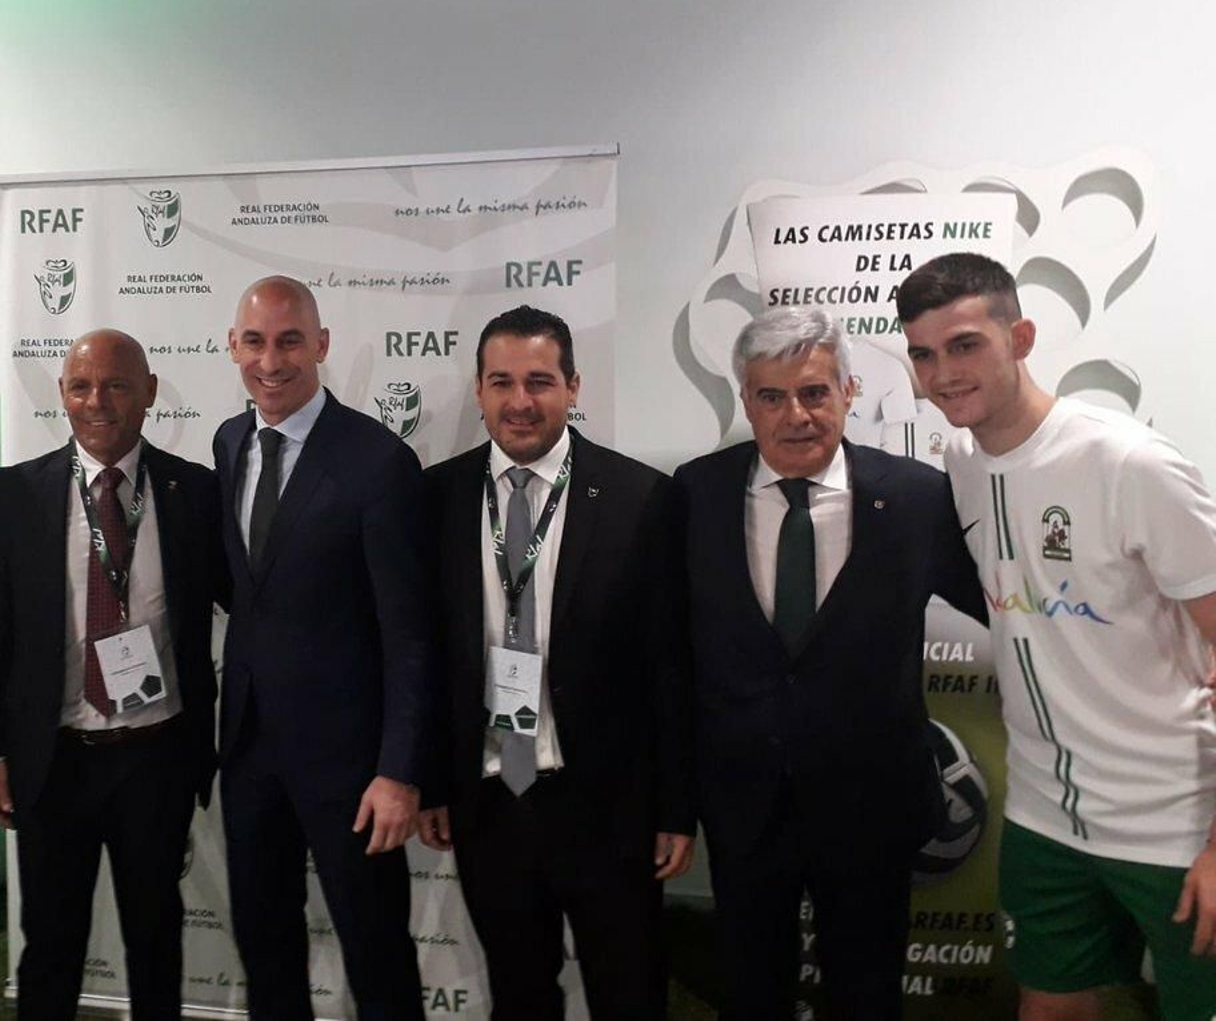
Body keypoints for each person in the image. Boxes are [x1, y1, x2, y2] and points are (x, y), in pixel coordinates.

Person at [898, 253, 1216, 1021]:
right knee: (1050, 1008)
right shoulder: (962, 459)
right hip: (1043, 814)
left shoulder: (1128, 464)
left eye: (965, 344)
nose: (943, 373)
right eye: (923, 354)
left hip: (1171, 818)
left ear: (1022, 337)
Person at [671, 306, 985, 1020]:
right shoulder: (694, 495)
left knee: (868, 991)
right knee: (752, 990)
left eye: (815, 392)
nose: (796, 416)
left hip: (874, 803)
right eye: (772, 396)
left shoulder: (917, 498)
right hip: (744, 804)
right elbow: (666, 654)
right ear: (745, 400)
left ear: (849, 392)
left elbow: (1006, 607)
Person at [417, 305, 692, 1020]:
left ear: (573, 386)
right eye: (501, 382)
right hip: (489, 800)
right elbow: (424, 652)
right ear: (477, 391)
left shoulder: (642, 499)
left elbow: (670, 665)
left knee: (629, 996)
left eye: (539, 381)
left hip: (608, 806)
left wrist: (675, 810)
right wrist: (429, 782)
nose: (519, 401)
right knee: (519, 995)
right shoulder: (435, 498)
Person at [0, 329, 222, 1020]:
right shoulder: (15, 492)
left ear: (149, 394)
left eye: (115, 385)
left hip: (156, 758)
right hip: (53, 762)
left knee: (155, 940)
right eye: (80, 386)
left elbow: (253, 606)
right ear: (62, 396)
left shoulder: (195, 492)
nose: (97, 401)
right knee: (50, 946)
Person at [213, 276, 438, 1021]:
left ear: (321, 345)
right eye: (255, 341)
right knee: (266, 943)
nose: (271, 361)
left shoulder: (377, 461)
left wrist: (399, 772)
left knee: (375, 951)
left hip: (351, 768)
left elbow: (410, 633)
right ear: (233, 347)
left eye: (288, 341)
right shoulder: (229, 441)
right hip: (249, 753)